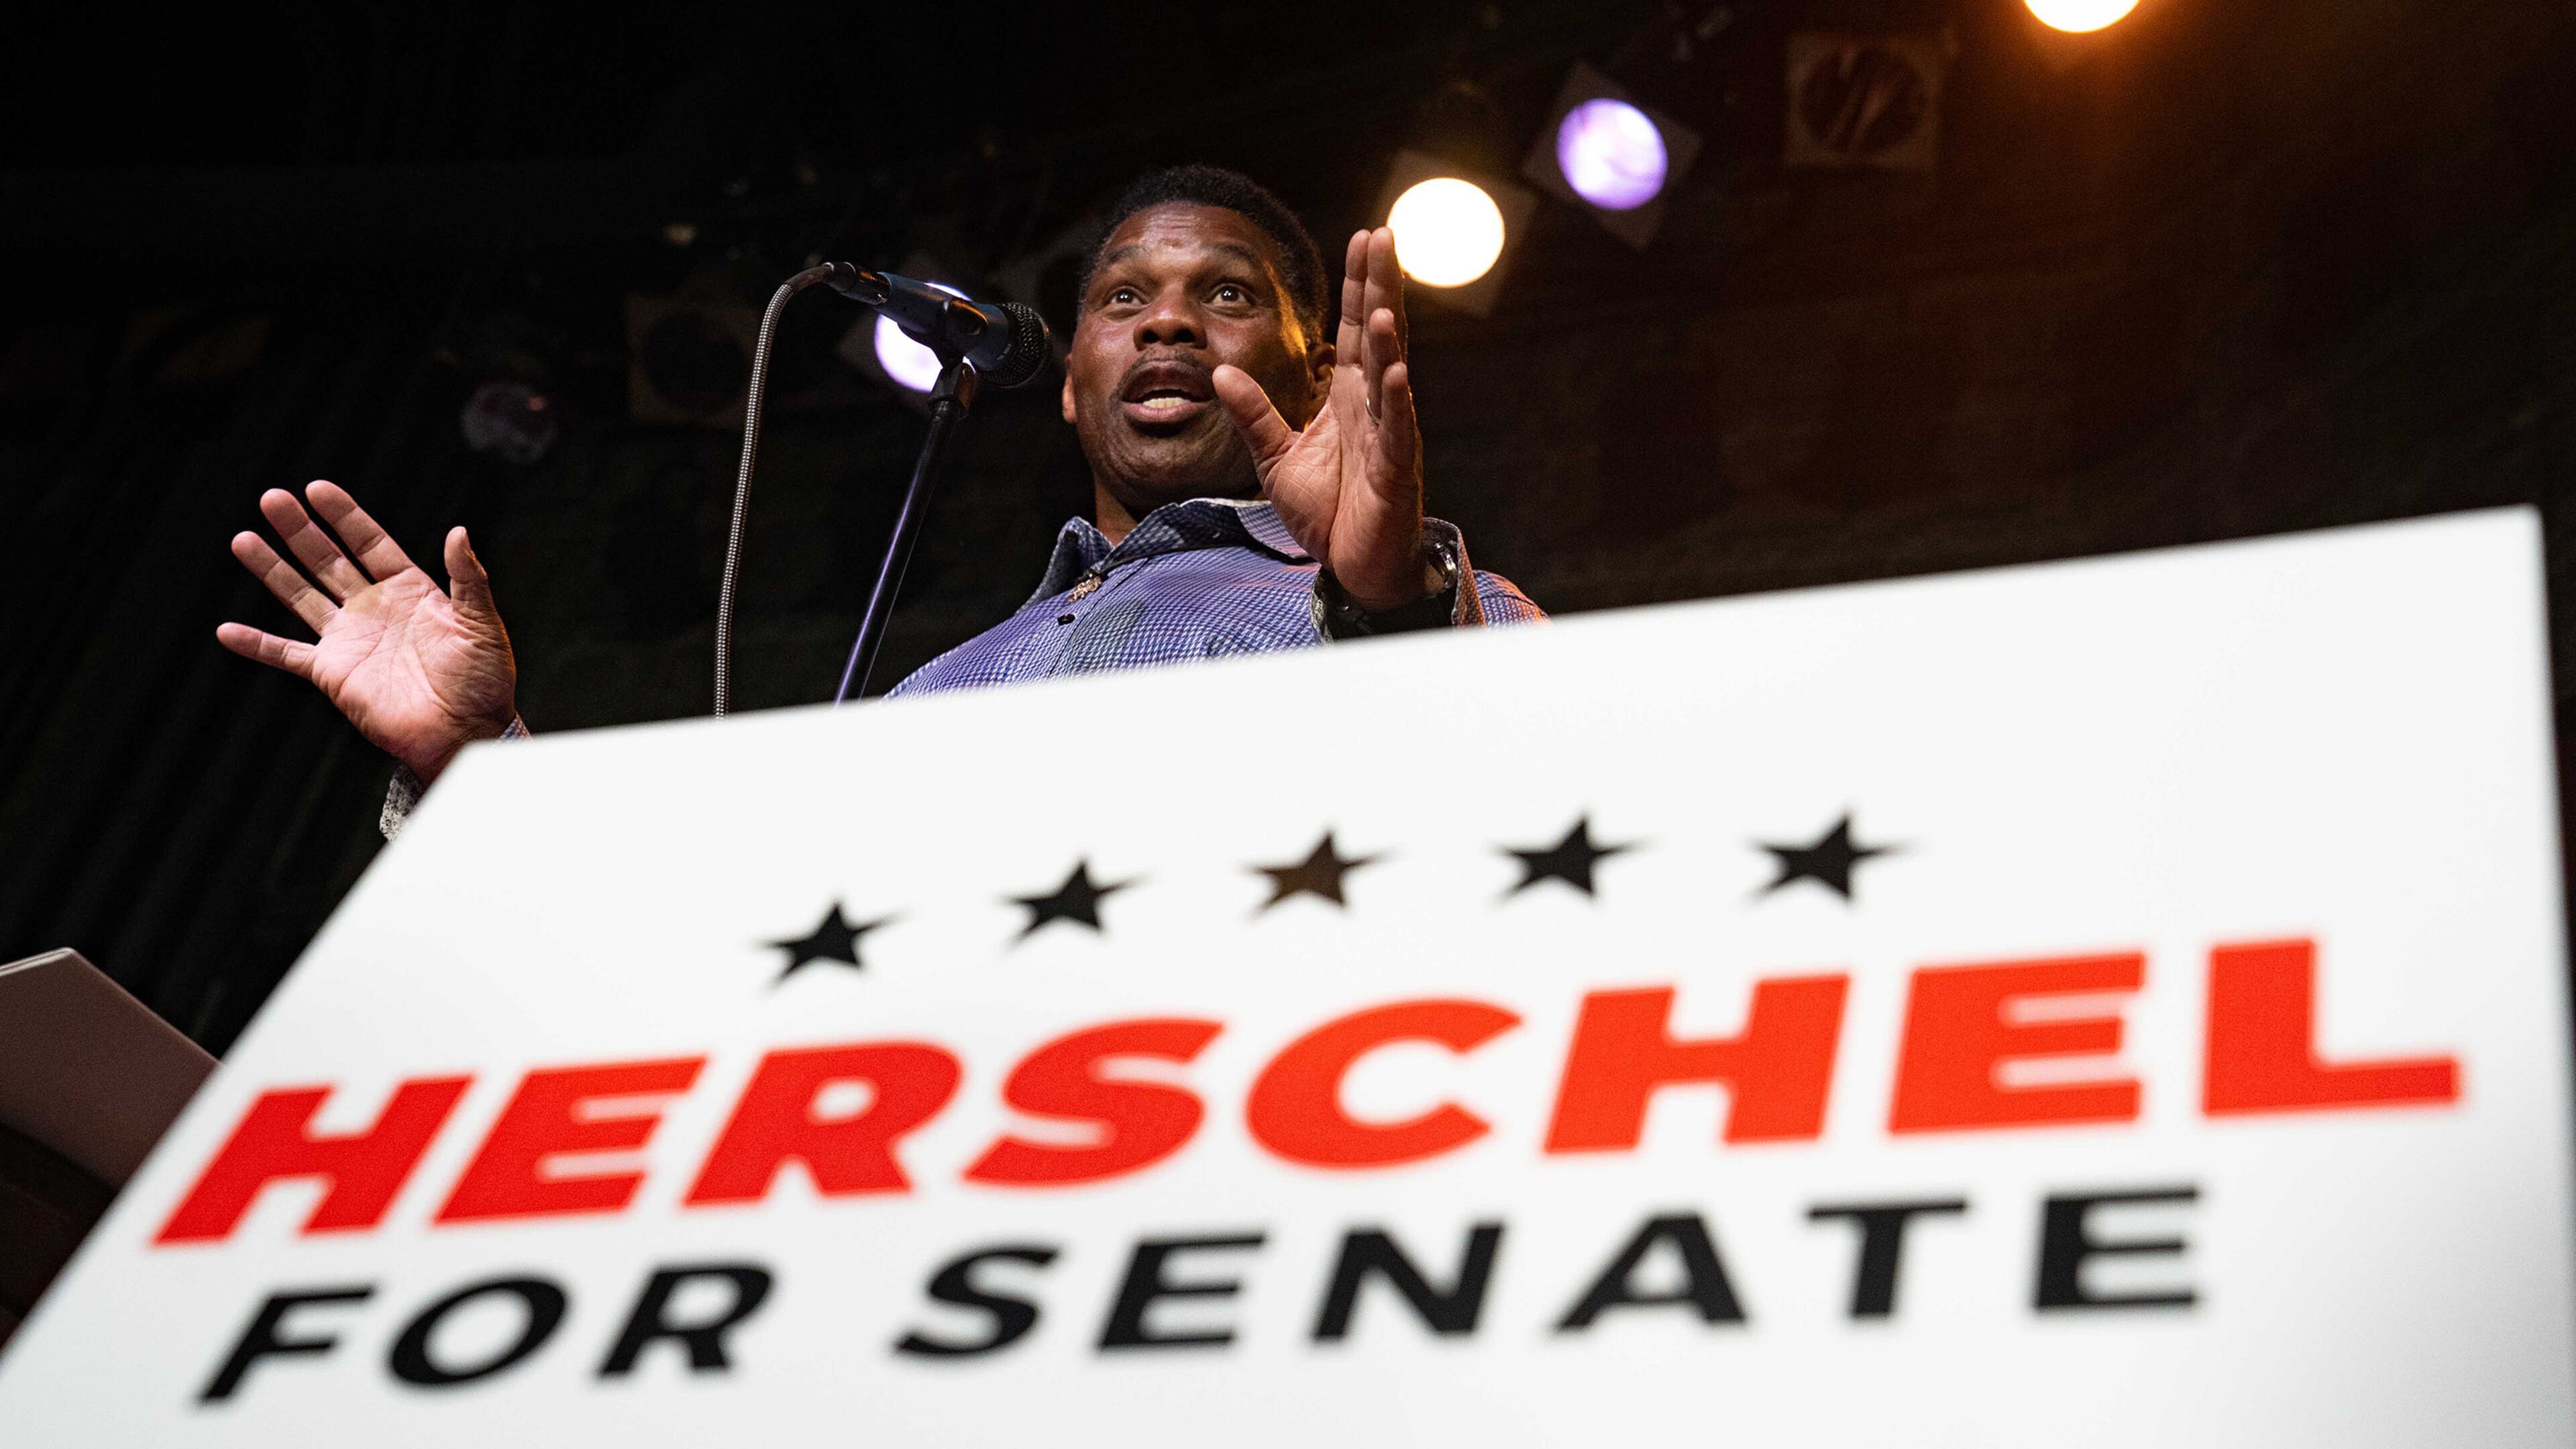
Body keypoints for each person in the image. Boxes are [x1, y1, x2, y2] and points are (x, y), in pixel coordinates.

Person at [215, 166, 1542, 834]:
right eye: (1123, 298)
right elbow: (701, 962)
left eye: (1229, 295)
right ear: (1067, 385)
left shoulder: (1442, 601)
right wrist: (472, 764)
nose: (1168, 324)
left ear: (1312, 376)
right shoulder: (933, 688)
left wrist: (1382, 600)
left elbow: (1529, 812)